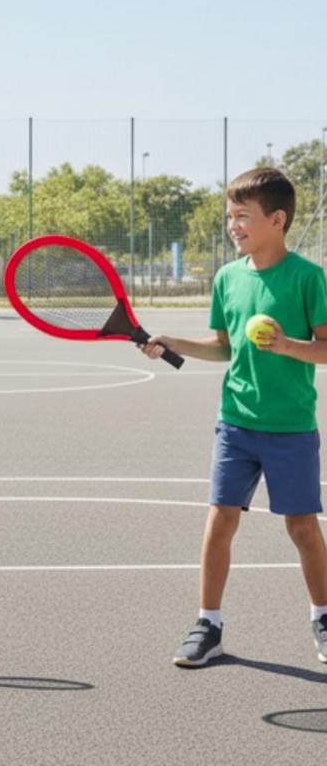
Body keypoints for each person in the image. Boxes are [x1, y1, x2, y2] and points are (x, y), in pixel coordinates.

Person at [140, 167, 327, 667]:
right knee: (219, 521)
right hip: (236, 424)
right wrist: (172, 342)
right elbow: (223, 347)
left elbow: (326, 351)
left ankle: (323, 617)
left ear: (278, 219)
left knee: (303, 527)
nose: (233, 226)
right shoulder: (227, 278)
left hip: (290, 427)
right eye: (229, 217)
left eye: (242, 217)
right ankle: (209, 624)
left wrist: (288, 345)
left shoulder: (308, 278)